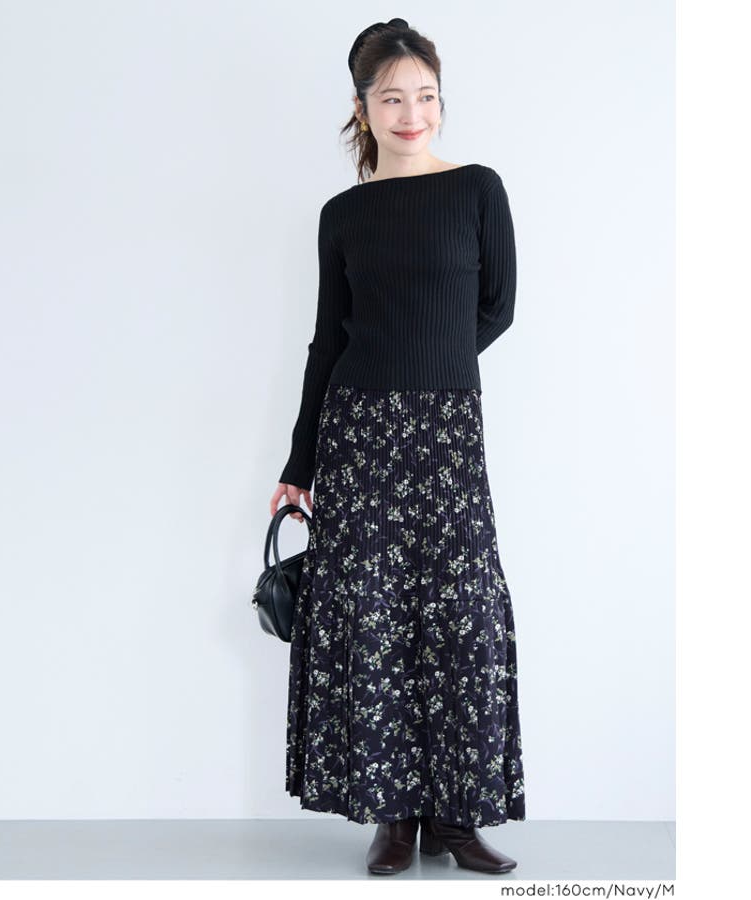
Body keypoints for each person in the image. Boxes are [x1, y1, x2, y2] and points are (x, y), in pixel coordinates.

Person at [270, 18, 525, 876]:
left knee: (460, 616)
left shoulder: (478, 190)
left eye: (425, 96)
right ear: (363, 108)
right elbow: (327, 341)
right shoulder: (342, 215)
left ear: (441, 101)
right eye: (392, 99)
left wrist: (431, 368)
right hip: (360, 435)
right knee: (375, 621)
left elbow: (498, 307)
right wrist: (298, 465)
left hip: (447, 433)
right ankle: (393, 817)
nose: (412, 114)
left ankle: (458, 815)